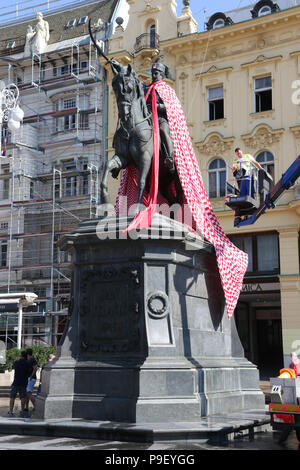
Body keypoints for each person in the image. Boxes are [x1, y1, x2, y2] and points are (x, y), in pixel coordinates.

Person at [145, 61, 175, 173]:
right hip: (148, 119)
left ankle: (170, 157)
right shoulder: (147, 88)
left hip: (161, 118)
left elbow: (170, 107)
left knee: (163, 130)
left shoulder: (166, 89)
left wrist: (156, 106)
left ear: (161, 75)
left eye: (156, 73)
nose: (153, 76)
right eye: (152, 73)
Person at [8, 350, 29, 417]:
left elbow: (14, 367)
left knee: (12, 397)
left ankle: (11, 411)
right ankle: (22, 411)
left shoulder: (16, 362)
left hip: (16, 382)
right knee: (23, 397)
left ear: (21, 355)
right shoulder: (27, 363)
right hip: (23, 382)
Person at [24, 348, 38, 412]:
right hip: (29, 378)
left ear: (27, 354)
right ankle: (26, 407)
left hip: (31, 378)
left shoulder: (32, 359)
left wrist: (31, 376)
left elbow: (35, 368)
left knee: (28, 393)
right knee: (27, 393)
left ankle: (36, 406)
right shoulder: (30, 359)